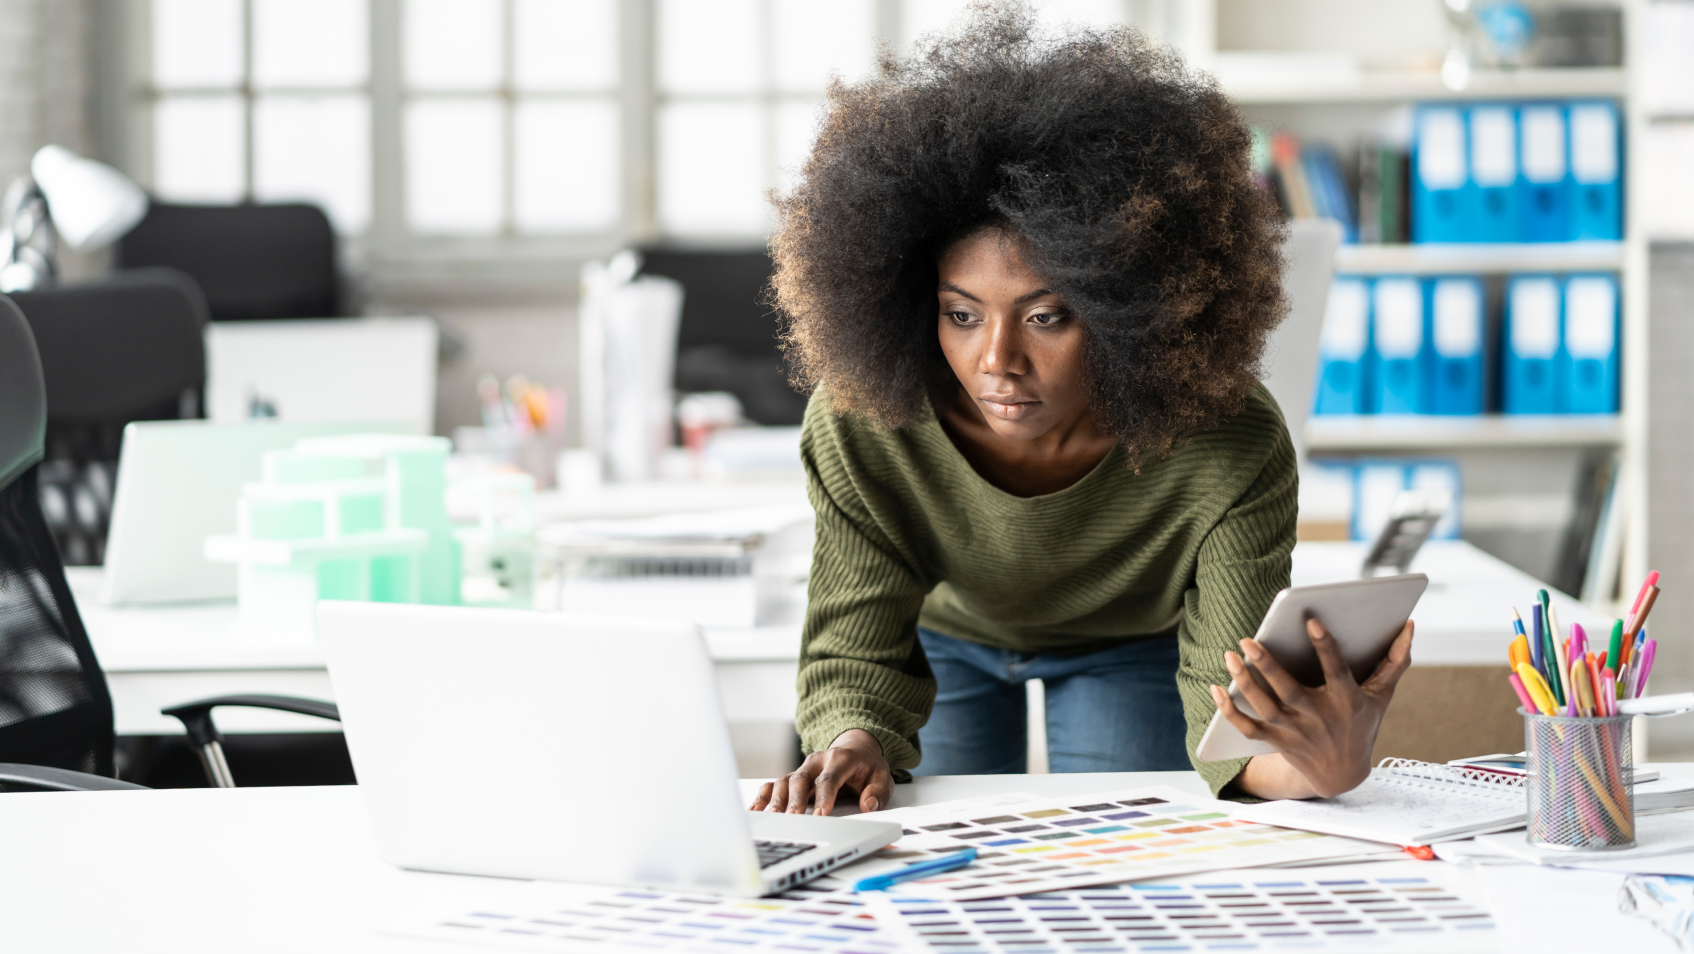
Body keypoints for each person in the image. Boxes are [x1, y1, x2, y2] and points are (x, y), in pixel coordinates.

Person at [750, 5, 1414, 815]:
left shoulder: (1227, 441)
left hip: (1127, 643)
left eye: (1046, 316)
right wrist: (852, 742)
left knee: (1127, 851)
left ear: (1131, 307)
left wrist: (1324, 767)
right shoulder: (867, 415)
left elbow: (1232, 734)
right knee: (946, 868)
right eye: (962, 315)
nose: (995, 360)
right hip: (951, 633)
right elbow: (855, 645)